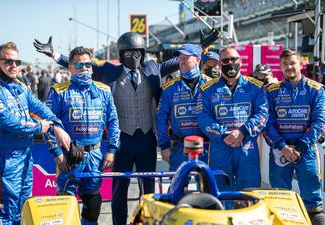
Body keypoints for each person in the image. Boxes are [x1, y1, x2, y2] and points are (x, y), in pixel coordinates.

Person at [34, 32, 179, 225]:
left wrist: (202, 49)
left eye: (138, 53)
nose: (134, 57)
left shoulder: (153, 68)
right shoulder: (110, 71)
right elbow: (82, 66)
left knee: (149, 189)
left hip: (146, 139)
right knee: (119, 190)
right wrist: (54, 55)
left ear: (143, 54)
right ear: (121, 54)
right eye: (129, 53)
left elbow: (180, 62)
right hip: (122, 141)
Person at [0, 42, 70, 225]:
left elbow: (41, 108)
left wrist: (56, 126)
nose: (14, 66)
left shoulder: (20, 87)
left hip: (24, 156)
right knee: (3, 213)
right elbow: (6, 121)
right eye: (8, 62)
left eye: (17, 62)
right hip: (0, 159)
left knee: (23, 209)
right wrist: (38, 127)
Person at [46, 46, 120, 225]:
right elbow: (49, 126)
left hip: (95, 156)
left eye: (88, 64)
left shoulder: (104, 90)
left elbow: (114, 122)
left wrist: (111, 150)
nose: (84, 68)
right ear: (70, 67)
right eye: (79, 65)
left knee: (93, 204)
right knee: (65, 206)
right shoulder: (58, 91)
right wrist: (58, 154)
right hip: (68, 157)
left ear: (92, 67)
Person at [264, 49, 325, 225]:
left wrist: (300, 147)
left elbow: (320, 122)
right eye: (285, 64)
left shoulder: (316, 89)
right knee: (279, 197)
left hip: (305, 151)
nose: (289, 67)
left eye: (292, 63)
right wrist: (283, 146)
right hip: (280, 150)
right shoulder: (271, 91)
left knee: (313, 200)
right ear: (280, 67)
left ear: (301, 64)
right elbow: (267, 123)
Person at [196, 47, 268, 192]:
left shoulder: (255, 87)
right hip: (220, 147)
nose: (230, 63)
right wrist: (224, 134)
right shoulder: (206, 89)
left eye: (233, 59)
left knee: (250, 193)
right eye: (225, 61)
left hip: (247, 147)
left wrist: (242, 132)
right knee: (220, 192)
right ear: (220, 64)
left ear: (240, 61)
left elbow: (263, 114)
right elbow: (203, 117)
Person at [157, 44, 209, 172]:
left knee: (207, 188)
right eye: (180, 58)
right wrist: (164, 146)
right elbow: (161, 118)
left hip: (206, 146)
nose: (182, 61)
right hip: (179, 147)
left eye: (186, 58)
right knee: (178, 188)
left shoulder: (211, 85)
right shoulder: (169, 88)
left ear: (198, 60)